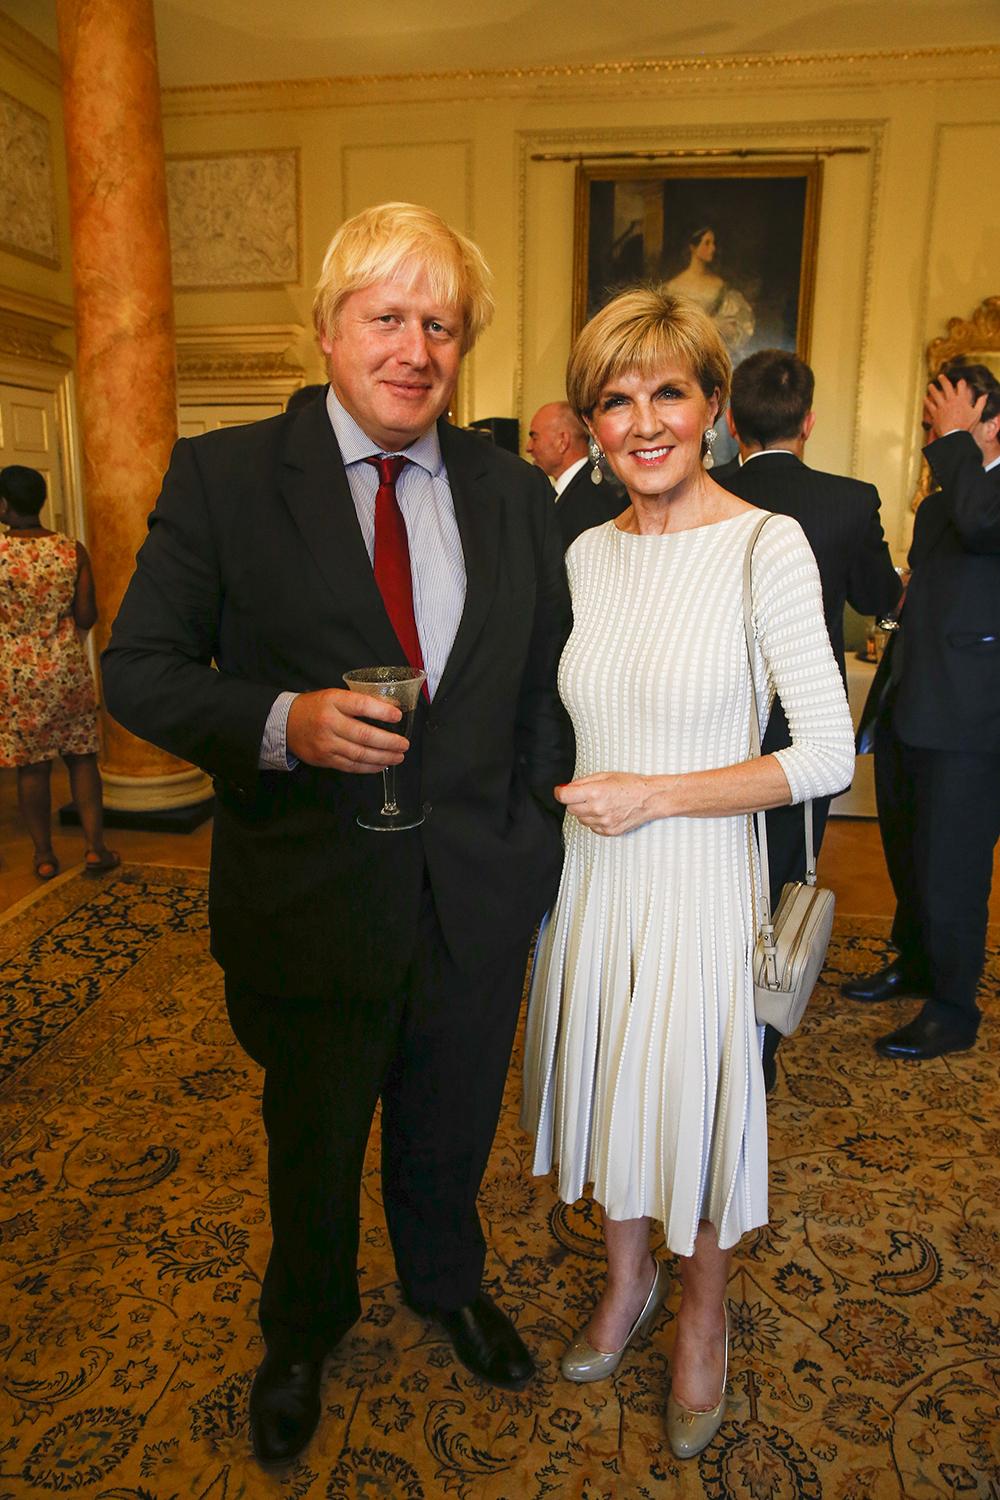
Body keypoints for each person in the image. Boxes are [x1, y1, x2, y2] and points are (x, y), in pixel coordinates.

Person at [102, 202, 572, 1467]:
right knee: (311, 1134)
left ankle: (443, 1280)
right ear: (325, 331)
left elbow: (537, 683)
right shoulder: (228, 476)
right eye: (386, 316)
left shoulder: (510, 489)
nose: (414, 347)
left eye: (441, 323)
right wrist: (280, 721)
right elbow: (138, 669)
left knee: (454, 1115)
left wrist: (528, 834)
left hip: (474, 888)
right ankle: (302, 1326)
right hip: (311, 895)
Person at [521, 286, 853, 1460]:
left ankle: (701, 1309)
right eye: (614, 399)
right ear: (589, 423)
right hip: (590, 884)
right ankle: (626, 1287)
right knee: (614, 1090)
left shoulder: (767, 542)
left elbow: (820, 751)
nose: (643, 420)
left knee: (697, 1108)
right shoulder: (583, 555)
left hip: (699, 878)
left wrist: (655, 796)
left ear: (713, 405)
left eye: (668, 391)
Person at [718, 349, 902, 1089]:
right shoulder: (850, 500)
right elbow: (881, 596)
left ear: (731, 423)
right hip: (803, 721)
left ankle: (710, 1025)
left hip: (718, 716)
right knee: (788, 875)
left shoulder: (708, 489)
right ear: (810, 422)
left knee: (717, 874)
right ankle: (760, 1047)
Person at [843, 363, 1000, 1059]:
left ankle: (954, 1006)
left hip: (974, 716)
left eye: (946, 415)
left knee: (953, 865)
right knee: (907, 848)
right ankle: (914, 961)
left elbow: (982, 522)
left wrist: (958, 441)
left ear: (990, 419)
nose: (932, 430)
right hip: (916, 698)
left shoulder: (975, 494)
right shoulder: (944, 500)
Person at [0, 465, 118, 881]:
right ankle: (94, 848)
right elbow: (88, 613)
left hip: (18, 674)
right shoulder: (72, 550)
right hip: (68, 667)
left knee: (32, 767)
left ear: (4, 504)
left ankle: (45, 855)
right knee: (83, 758)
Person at [526, 399, 623, 547]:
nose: (528, 447)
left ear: (562, 442)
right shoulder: (573, 491)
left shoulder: (592, 501)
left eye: (534, 437)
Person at [665, 226, 754, 358]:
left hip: (710, 353)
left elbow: (737, 325)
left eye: (713, 243)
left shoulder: (720, 285)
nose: (713, 248)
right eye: (707, 243)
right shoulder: (672, 287)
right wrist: (711, 324)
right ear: (693, 247)